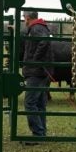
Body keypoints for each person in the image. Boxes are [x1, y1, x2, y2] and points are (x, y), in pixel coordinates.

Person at [21, 9, 53, 141]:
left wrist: (35, 60)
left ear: (28, 18)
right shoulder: (40, 27)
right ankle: (41, 133)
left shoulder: (36, 28)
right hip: (41, 71)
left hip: (37, 72)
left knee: (30, 102)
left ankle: (38, 134)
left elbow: (43, 42)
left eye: (24, 17)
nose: (24, 20)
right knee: (39, 103)